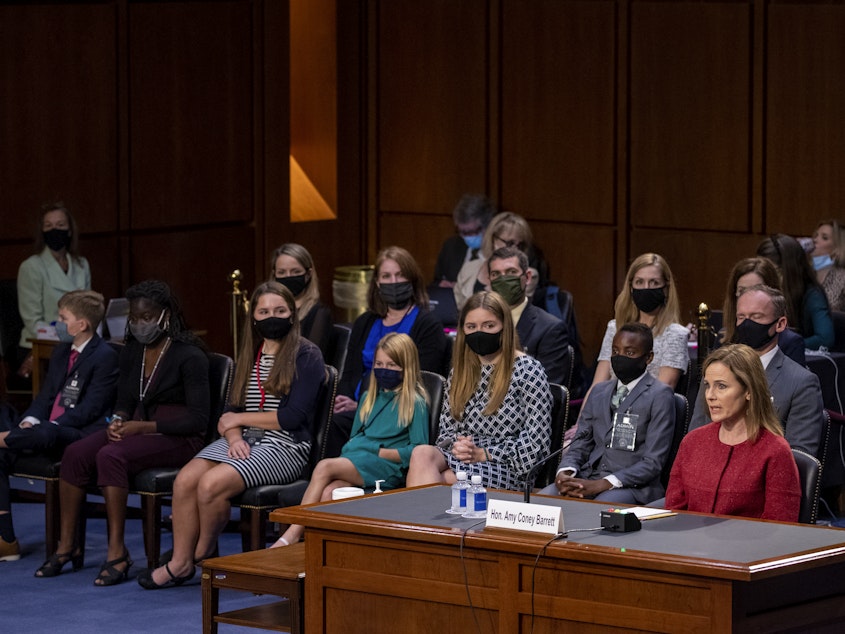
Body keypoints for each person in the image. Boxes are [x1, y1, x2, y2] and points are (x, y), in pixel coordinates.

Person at [137, 282, 324, 589]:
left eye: (280, 310)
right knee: (185, 480)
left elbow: (292, 417)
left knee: (210, 484)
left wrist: (238, 419)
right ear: (254, 317)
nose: (271, 316)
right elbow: (230, 409)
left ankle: (203, 557)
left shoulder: (307, 354)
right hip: (242, 439)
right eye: (264, 311)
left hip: (285, 445)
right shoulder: (251, 352)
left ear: (292, 314)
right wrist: (235, 435)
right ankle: (181, 562)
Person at [35, 280, 210, 585]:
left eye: (147, 318)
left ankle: (117, 552)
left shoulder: (189, 355)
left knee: (111, 455)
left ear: (165, 316)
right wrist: (119, 419)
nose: (140, 324)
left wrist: (142, 427)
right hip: (137, 428)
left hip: (178, 436)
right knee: (76, 453)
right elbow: (125, 400)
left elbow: (198, 420)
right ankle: (67, 545)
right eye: (134, 318)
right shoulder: (131, 351)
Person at [271, 332, 429, 549]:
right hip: (359, 462)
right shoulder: (368, 398)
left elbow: (418, 451)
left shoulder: (415, 403)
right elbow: (354, 439)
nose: (384, 369)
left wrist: (377, 450)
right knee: (329, 492)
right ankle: (321, 551)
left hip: (387, 467)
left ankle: (292, 533)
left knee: (325, 466)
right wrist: (361, 449)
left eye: (392, 365)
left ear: (406, 367)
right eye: (380, 363)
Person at [0, 290, 119, 561]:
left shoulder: (104, 356)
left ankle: (12, 437)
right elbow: (45, 397)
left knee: (44, 432)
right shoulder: (62, 352)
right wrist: (30, 420)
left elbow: (89, 410)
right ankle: (5, 538)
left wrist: (51, 425)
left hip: (78, 432)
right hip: (44, 429)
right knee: (10, 434)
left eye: (62, 318)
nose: (57, 324)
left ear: (82, 324)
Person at [406, 291, 552, 491]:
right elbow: (446, 432)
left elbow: (537, 446)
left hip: (509, 467)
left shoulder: (528, 371)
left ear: (505, 327)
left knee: (445, 479)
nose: (479, 332)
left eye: (489, 326)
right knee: (422, 453)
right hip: (464, 459)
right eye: (471, 327)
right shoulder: (459, 372)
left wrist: (484, 453)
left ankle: (417, 521)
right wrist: (459, 447)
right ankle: (425, 521)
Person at [327, 246, 448, 458]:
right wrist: (344, 399)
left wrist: (362, 405)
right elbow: (350, 372)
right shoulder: (365, 321)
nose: (393, 282)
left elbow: (422, 380)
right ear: (377, 283)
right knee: (329, 419)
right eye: (386, 276)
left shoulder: (428, 325)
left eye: (400, 275)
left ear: (412, 280)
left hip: (399, 410)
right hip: (358, 407)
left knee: (338, 427)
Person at [539, 323, 675, 504]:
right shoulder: (599, 391)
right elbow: (580, 444)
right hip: (587, 477)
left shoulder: (660, 395)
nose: (620, 358)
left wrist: (603, 484)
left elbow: (652, 463)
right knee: (543, 500)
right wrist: (566, 473)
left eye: (630, 353)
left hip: (632, 486)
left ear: (648, 357)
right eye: (615, 351)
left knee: (597, 509)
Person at [666, 344, 801, 522]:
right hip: (689, 545)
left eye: (721, 386)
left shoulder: (775, 450)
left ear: (748, 391)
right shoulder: (692, 442)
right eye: (707, 385)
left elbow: (780, 526)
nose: (710, 395)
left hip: (750, 547)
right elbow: (674, 510)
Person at [689, 286, 824, 457]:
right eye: (741, 317)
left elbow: (799, 457)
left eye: (756, 317)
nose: (747, 324)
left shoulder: (801, 382)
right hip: (708, 473)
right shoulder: (716, 371)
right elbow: (694, 436)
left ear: (780, 324)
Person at [589, 253, 689, 395]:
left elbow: (662, 392)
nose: (646, 288)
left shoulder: (675, 334)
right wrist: (583, 416)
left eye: (654, 282)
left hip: (648, 412)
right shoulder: (615, 328)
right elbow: (597, 387)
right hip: (609, 408)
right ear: (631, 287)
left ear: (666, 288)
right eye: (639, 282)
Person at [16, 201, 91, 379]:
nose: (54, 230)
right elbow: (33, 322)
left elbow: (89, 310)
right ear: (42, 232)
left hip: (77, 341)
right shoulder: (31, 267)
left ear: (70, 230)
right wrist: (68, 337)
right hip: (40, 348)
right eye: (48, 226)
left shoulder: (81, 264)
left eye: (60, 225)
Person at [487, 246, 571, 386]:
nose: (503, 280)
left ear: (527, 277)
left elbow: (546, 389)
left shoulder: (550, 329)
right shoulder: (476, 324)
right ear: (489, 279)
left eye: (511, 272)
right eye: (496, 274)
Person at [453, 211, 549, 312]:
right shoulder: (470, 268)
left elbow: (507, 313)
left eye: (520, 245)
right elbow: (458, 309)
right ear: (493, 239)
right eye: (510, 243)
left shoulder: (527, 276)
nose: (515, 249)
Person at [720, 257, 805, 365]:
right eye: (742, 291)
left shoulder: (790, 342)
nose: (748, 297)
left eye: (757, 289)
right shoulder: (723, 337)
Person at [757, 234, 834, 350]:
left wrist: (779, 346)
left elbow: (825, 339)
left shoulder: (812, 295)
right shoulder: (761, 291)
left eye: (770, 271)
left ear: (786, 270)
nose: (763, 277)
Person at [269, 243, 332, 357]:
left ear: (308, 274)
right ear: (274, 275)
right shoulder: (267, 312)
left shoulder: (320, 313)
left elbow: (310, 358)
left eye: (296, 272)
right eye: (282, 272)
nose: (288, 277)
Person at [433, 194, 496, 288]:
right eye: (461, 231)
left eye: (470, 232)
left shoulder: (502, 252)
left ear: (488, 227)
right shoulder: (450, 247)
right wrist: (442, 285)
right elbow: (436, 281)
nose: (465, 237)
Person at [809, 220, 845, 312]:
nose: (815, 240)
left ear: (837, 248)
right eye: (816, 235)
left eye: (824, 238)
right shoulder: (804, 272)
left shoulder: (842, 278)